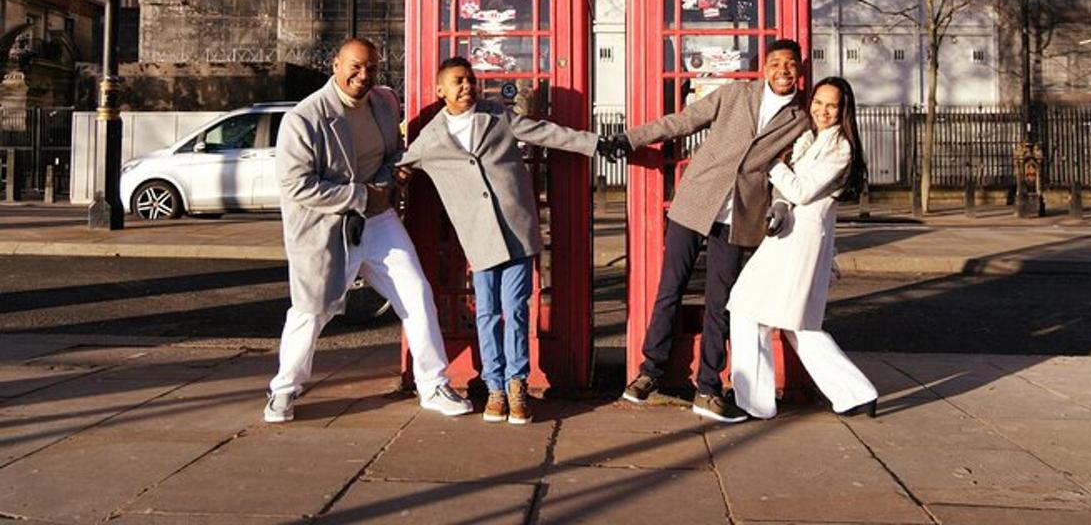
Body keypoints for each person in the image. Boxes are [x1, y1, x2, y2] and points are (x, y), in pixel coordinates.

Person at [263, 37, 471, 423]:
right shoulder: (304, 118)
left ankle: (433, 383)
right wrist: (361, 196)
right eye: (355, 67)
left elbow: (392, 150)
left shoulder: (385, 102)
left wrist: (397, 168)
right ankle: (284, 390)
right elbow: (296, 185)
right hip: (326, 225)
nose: (363, 75)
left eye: (371, 68)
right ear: (335, 65)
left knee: (416, 292)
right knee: (311, 310)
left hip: (377, 219)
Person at [609, 38, 811, 423]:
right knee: (671, 289)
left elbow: (793, 169)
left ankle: (707, 387)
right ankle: (650, 372)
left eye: (790, 65)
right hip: (696, 201)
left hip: (742, 216)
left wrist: (781, 205)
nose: (783, 70)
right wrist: (630, 138)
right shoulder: (735, 93)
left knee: (720, 304)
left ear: (799, 71)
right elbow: (682, 121)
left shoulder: (800, 119)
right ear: (763, 68)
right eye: (776, 63)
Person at [397, 57, 601, 425]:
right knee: (488, 314)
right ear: (440, 89)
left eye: (471, 80)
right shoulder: (431, 136)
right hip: (478, 238)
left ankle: (516, 385)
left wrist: (596, 144)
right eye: (457, 81)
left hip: (517, 230)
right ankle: (494, 386)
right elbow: (401, 167)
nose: (466, 87)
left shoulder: (497, 116)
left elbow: (547, 133)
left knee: (517, 310)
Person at [726, 76, 877, 419]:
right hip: (789, 240)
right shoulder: (814, 139)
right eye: (818, 102)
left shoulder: (841, 149)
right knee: (788, 322)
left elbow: (801, 190)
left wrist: (769, 161)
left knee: (754, 310)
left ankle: (755, 402)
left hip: (800, 244)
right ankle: (855, 394)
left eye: (832, 105)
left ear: (844, 112)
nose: (822, 110)